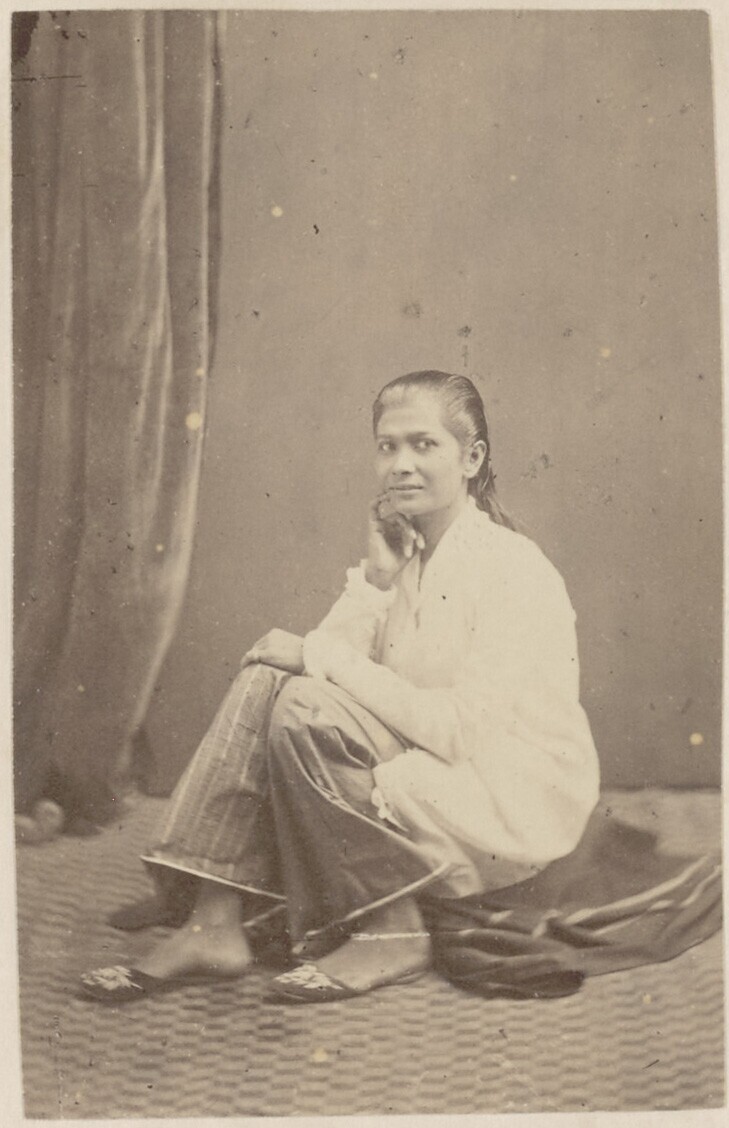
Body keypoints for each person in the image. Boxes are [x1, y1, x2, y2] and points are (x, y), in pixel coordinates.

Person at [80, 370, 600, 1004]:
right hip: (435, 762)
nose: (401, 464)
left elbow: (457, 731)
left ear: (472, 459)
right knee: (275, 678)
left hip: (505, 791)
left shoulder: (511, 568)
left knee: (304, 699)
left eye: (424, 444)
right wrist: (376, 582)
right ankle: (212, 921)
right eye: (387, 446)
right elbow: (316, 670)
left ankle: (393, 931)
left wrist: (317, 655)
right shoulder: (409, 556)